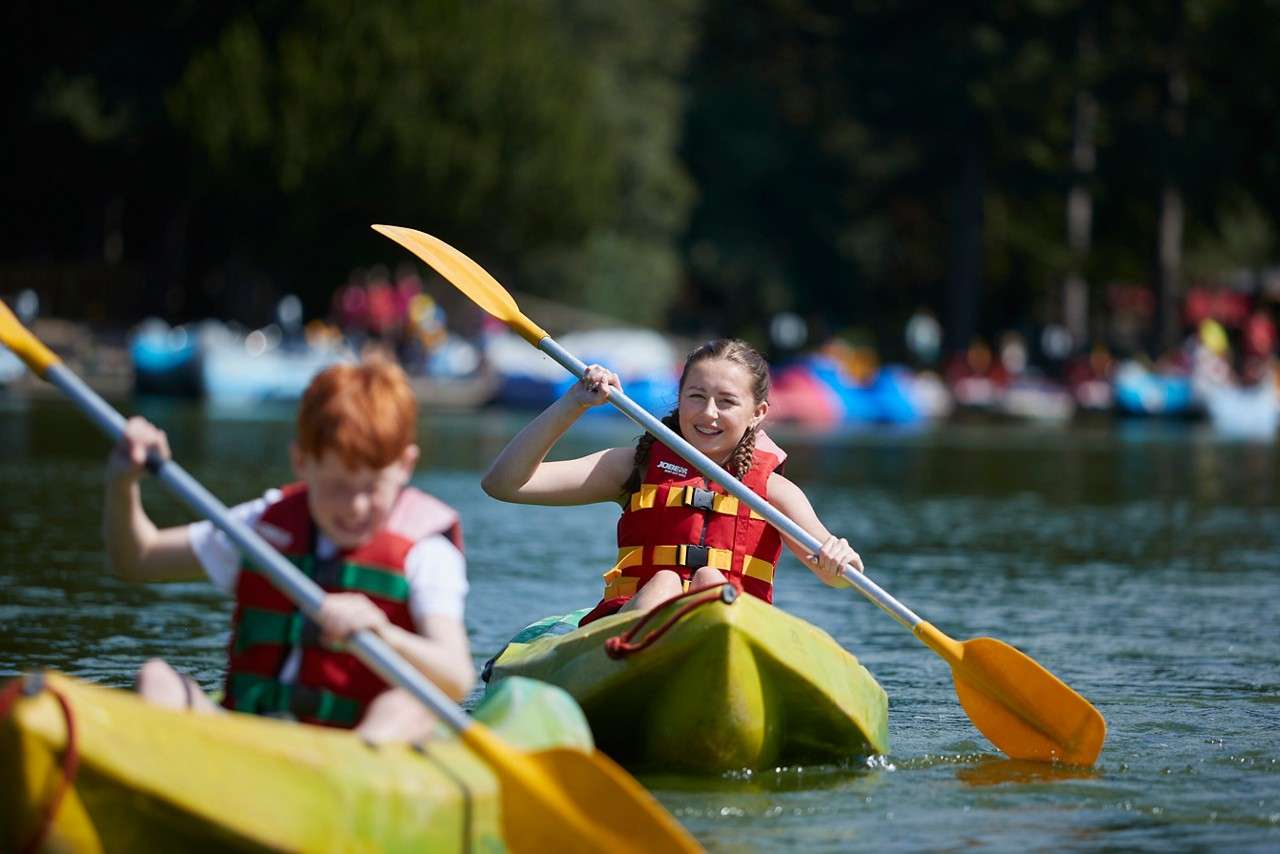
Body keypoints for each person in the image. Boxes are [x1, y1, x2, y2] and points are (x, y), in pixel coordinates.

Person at [103, 357, 474, 743]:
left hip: (356, 750)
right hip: (247, 735)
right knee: (157, 680)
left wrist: (383, 633)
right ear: (302, 462)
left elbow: (457, 677)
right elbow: (137, 558)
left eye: (372, 487)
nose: (355, 506)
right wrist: (122, 481)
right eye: (337, 486)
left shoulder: (426, 552)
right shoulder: (264, 525)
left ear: (405, 466)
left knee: (409, 707)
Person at [481, 338, 863, 625]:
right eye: (696, 396)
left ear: (757, 413)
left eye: (727, 401)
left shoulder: (774, 492)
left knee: (711, 581)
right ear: (679, 398)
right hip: (632, 627)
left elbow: (837, 576)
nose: (708, 413)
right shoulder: (636, 468)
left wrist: (840, 561)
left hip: (730, 630)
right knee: (664, 582)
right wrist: (573, 404)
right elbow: (504, 484)